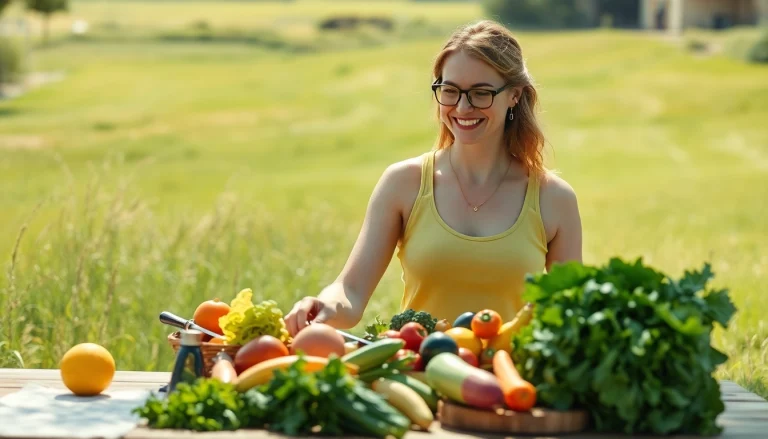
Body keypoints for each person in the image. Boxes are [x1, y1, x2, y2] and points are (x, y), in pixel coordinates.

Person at [285, 19, 582, 336]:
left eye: (480, 93)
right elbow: (350, 290)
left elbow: (570, 315)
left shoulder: (554, 199)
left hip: (510, 368)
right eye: (450, 91)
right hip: (419, 365)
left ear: (514, 95)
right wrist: (321, 305)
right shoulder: (404, 184)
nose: (463, 107)